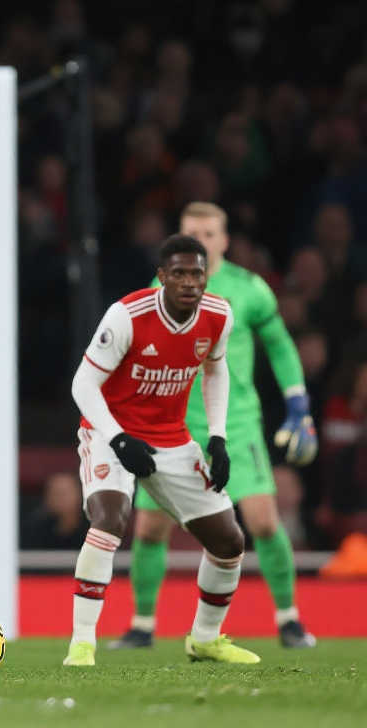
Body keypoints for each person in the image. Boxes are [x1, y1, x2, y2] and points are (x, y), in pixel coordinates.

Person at [112, 203, 318, 650]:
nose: (201, 241)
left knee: (264, 521)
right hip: (173, 423)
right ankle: (142, 624)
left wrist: (297, 401)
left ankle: (289, 620)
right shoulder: (160, 288)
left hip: (236, 422)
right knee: (150, 528)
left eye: (209, 234)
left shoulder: (250, 290)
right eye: (192, 233)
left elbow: (279, 344)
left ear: (224, 240)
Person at [66, 234, 260, 666]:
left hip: (171, 438)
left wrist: (218, 438)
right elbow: (84, 384)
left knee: (229, 540)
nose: (189, 282)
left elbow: (216, 371)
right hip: (109, 432)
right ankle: (82, 643)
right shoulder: (127, 316)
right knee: (110, 518)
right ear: (162, 277)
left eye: (197, 274)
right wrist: (118, 439)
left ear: (206, 277)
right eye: (179, 273)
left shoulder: (218, 315)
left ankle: (204, 640)